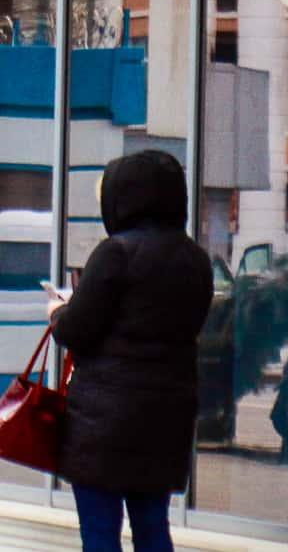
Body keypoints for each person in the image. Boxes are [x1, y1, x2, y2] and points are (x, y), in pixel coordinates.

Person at [47, 150, 214, 552]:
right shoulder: (196, 259)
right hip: (167, 418)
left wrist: (57, 311)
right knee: (153, 528)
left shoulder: (115, 253)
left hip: (105, 422)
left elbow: (77, 328)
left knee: (101, 532)